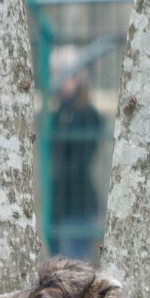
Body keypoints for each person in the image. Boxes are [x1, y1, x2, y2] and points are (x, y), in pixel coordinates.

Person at [50, 66, 103, 259]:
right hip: (59, 206)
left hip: (79, 205)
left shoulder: (88, 115)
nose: (61, 82)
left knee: (77, 266)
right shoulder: (58, 115)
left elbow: (81, 159)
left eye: (68, 77)